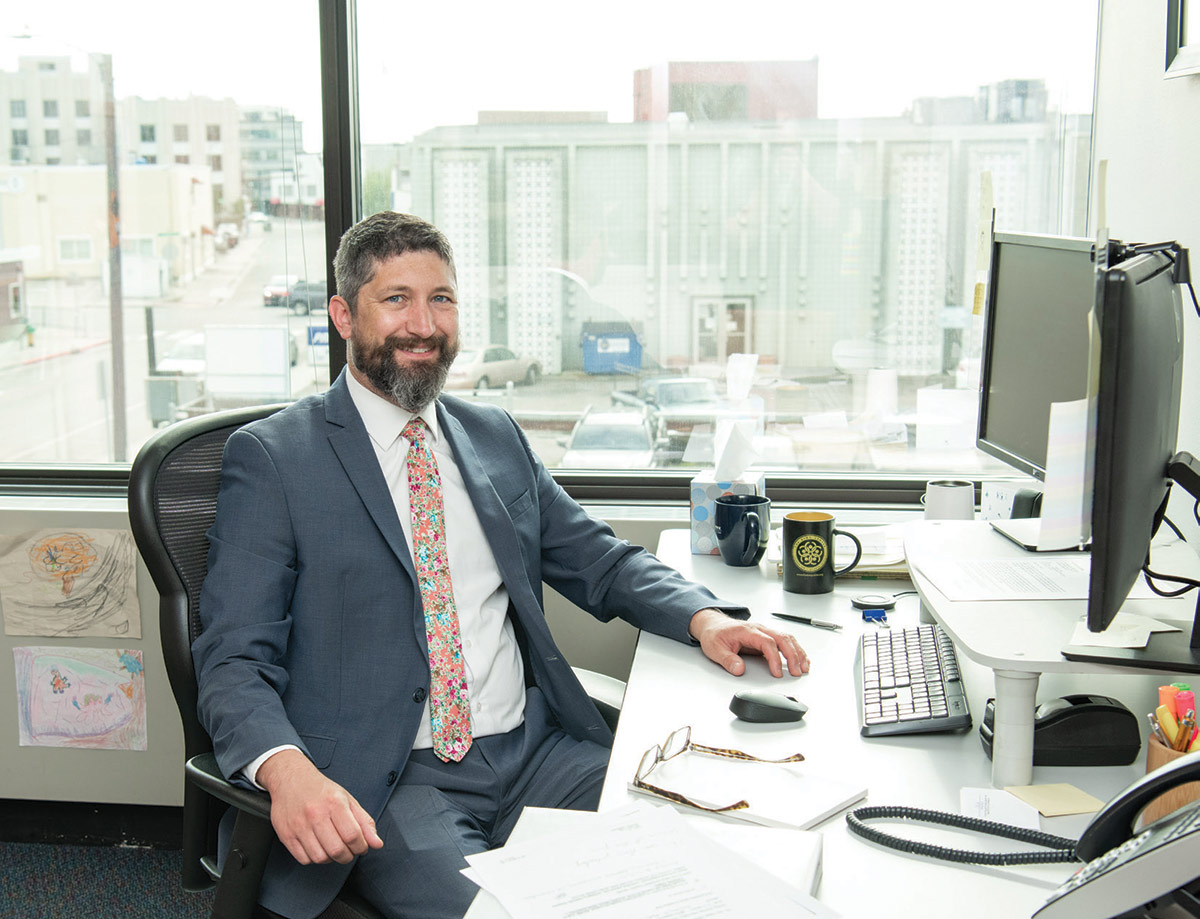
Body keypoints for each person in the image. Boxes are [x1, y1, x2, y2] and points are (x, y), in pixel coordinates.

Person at [193, 211, 809, 919]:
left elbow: (597, 558)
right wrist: (287, 768)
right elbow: (234, 659)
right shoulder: (275, 458)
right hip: (396, 782)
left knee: (704, 862)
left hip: (537, 753)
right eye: (396, 299)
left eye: (442, 299)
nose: (423, 324)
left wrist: (703, 616)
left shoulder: (492, 435)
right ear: (342, 314)